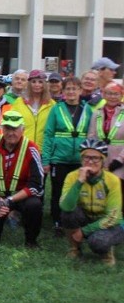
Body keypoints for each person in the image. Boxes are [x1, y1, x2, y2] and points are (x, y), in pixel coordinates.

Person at [0, 111, 44, 247]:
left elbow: (37, 184)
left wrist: (10, 200)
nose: (11, 133)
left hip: (20, 197)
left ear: (22, 130)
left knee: (34, 205)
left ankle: (31, 241)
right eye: (7, 128)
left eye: (15, 129)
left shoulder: (31, 148)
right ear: (2, 129)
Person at [60, 138, 124, 266]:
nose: (90, 161)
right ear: (81, 159)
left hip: (111, 223)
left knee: (97, 242)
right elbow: (65, 206)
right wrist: (79, 182)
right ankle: (75, 249)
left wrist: (83, 231)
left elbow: (113, 217)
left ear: (102, 160)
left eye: (95, 158)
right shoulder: (72, 176)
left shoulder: (112, 180)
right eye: (86, 157)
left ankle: (107, 254)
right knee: (67, 214)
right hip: (87, 216)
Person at [42, 76, 93, 235]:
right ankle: (58, 220)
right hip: (59, 158)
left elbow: (91, 135)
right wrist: (46, 160)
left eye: (74, 88)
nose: (71, 92)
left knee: (79, 190)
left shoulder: (87, 109)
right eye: (68, 89)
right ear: (63, 91)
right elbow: (48, 134)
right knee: (58, 190)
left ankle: (77, 220)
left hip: (79, 159)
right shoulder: (56, 109)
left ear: (80, 90)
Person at [88, 81, 124, 209]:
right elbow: (91, 136)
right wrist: (93, 157)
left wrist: (119, 160)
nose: (112, 97)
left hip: (120, 162)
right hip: (100, 160)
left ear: (121, 95)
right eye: (109, 93)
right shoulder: (97, 113)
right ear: (103, 94)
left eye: (116, 94)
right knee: (101, 193)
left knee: (119, 193)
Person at [11, 69, 54, 151]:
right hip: (22, 148)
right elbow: (13, 125)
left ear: (45, 84)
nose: (37, 85)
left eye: (40, 82)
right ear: (29, 84)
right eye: (34, 81)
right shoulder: (19, 102)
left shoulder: (52, 104)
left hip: (44, 150)